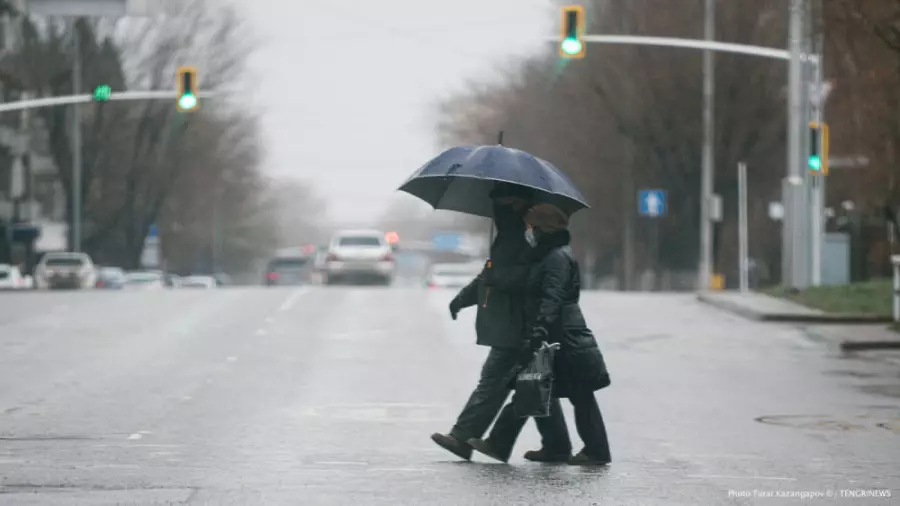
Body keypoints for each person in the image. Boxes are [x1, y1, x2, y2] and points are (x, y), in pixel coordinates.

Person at [467, 202, 612, 465]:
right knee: (535, 387)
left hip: (564, 338)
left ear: (541, 228)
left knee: (554, 390)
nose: (528, 232)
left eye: (530, 227)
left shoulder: (557, 257)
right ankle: (551, 447)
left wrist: (539, 332)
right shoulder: (549, 255)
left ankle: (595, 451)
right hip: (561, 334)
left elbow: (552, 298)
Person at [430, 182, 535, 460]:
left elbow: (531, 278)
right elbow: (487, 275)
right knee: (530, 386)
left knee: (496, 382)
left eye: (502, 201)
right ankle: (556, 444)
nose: (496, 207)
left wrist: (496, 279)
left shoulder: (523, 237)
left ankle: (463, 437)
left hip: (517, 324)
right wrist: (462, 299)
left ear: (516, 203)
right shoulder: (507, 236)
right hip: (508, 323)